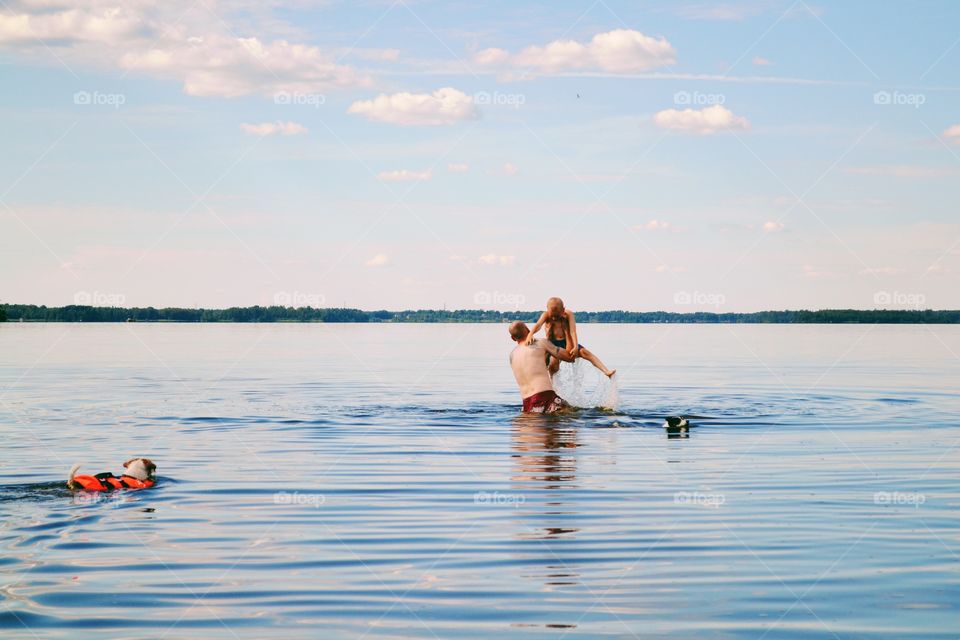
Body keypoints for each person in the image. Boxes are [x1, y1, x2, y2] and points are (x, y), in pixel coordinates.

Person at [525, 297, 616, 377]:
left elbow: (573, 331)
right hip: (552, 344)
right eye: (552, 316)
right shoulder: (545, 315)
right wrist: (530, 334)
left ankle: (606, 371)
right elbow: (538, 325)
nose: (554, 318)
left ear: (563, 310)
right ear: (547, 310)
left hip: (566, 342)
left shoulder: (568, 314)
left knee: (585, 352)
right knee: (552, 366)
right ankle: (550, 385)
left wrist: (575, 346)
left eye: (557, 316)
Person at [508, 321, 575, 413]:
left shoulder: (512, 355)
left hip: (527, 404)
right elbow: (570, 357)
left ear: (513, 338)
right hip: (545, 396)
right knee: (573, 415)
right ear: (528, 330)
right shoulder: (540, 343)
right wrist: (567, 333)